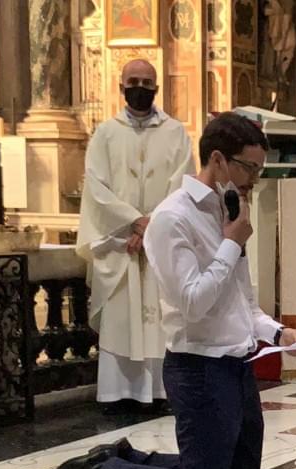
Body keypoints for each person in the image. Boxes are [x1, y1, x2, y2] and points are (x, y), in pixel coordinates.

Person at [51, 113, 296, 469]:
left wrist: (279, 334)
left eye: (260, 169)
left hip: (236, 366)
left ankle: (130, 458)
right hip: (199, 369)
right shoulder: (173, 218)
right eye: (249, 167)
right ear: (219, 160)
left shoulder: (228, 211)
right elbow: (192, 303)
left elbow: (240, 301)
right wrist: (230, 245)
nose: (254, 179)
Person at [76, 59, 195, 415]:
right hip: (120, 242)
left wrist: (152, 227)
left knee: (161, 316)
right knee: (121, 317)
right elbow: (96, 189)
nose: (140, 87)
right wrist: (133, 223)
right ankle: (119, 392)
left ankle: (160, 390)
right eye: (133, 81)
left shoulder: (175, 132)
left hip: (156, 243)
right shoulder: (105, 134)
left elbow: (182, 185)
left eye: (147, 81)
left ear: (157, 88)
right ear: (121, 85)